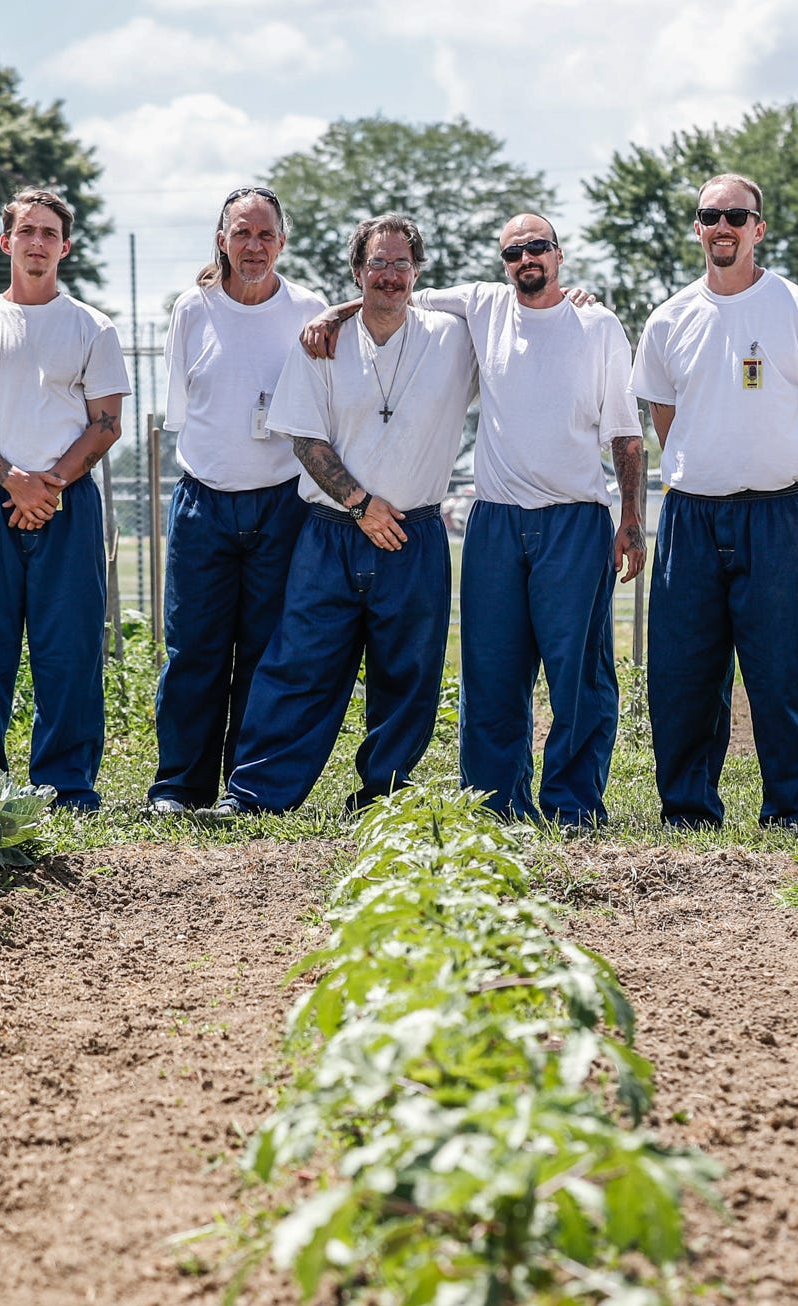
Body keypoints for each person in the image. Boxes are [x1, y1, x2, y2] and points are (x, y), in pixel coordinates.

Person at [300, 214, 644, 829]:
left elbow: (625, 432)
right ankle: (495, 805)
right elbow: (395, 291)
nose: (526, 259)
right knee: (489, 670)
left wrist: (631, 519)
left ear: (559, 255)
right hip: (495, 522)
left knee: (577, 674)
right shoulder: (483, 305)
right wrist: (336, 313)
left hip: (574, 519)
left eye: (537, 247)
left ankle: (573, 805)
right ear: (503, 261)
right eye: (514, 251)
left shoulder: (596, 324)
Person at [205, 214, 477, 818]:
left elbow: (519, 314)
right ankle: (256, 796)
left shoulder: (452, 338)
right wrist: (359, 504)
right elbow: (304, 438)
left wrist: (577, 298)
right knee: (298, 666)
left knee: (408, 675)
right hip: (331, 534)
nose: (390, 276)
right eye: (377, 264)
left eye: (402, 264)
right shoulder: (320, 343)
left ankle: (383, 797)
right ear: (357, 272)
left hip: (415, 530)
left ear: (417, 272)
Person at [630, 174, 798, 832]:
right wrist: (713, 471)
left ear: (759, 227)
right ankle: (689, 809)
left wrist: (781, 484)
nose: (722, 226)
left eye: (736, 215)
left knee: (783, 670)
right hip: (692, 517)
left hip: (775, 517)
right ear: (697, 228)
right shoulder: (669, 319)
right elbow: (667, 421)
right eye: (709, 215)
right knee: (683, 672)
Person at [0, 188, 131, 811]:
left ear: (65, 247)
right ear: (7, 242)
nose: (38, 242)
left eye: (50, 233)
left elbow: (106, 423)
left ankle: (66, 785)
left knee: (69, 652)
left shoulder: (91, 327)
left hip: (67, 506)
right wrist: (13, 479)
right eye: (27, 232)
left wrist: (46, 487)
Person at [147, 187, 328, 816]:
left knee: (265, 651)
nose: (254, 247)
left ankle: (246, 788)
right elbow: (184, 411)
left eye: (265, 235)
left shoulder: (309, 310)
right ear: (222, 239)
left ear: (282, 241)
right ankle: (180, 786)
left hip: (281, 505)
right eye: (242, 234)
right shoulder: (191, 310)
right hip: (204, 503)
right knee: (193, 649)